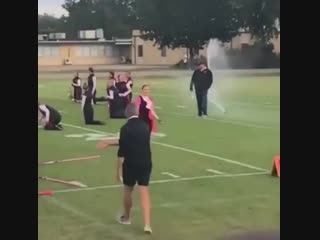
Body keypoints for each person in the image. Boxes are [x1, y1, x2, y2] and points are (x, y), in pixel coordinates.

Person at [97, 103, 153, 234]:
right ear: (137, 112)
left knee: (128, 190)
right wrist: (109, 143)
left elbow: (122, 151)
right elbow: (133, 141)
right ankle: (147, 225)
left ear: (126, 114)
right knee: (144, 191)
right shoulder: (146, 126)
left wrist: (118, 171)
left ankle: (127, 218)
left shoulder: (125, 128)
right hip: (145, 162)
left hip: (131, 164)